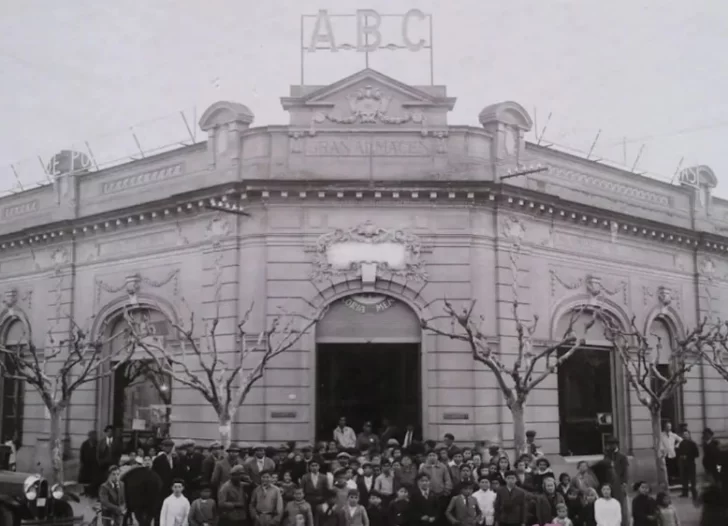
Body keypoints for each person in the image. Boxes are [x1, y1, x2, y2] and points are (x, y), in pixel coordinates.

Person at [676, 429, 699, 499]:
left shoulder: (693, 443)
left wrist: (688, 456)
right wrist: (680, 456)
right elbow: (679, 452)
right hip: (683, 464)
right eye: (684, 435)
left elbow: (697, 454)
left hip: (691, 463)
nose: (685, 436)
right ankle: (685, 493)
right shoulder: (681, 443)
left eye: (686, 434)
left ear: (689, 435)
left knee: (692, 480)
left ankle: (694, 494)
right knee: (684, 479)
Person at [79, 431, 98, 496]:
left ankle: (91, 491)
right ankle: (85, 490)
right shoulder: (85, 444)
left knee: (93, 478)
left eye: (95, 435)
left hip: (94, 464)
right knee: (84, 478)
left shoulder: (97, 444)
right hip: (86, 464)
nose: (94, 437)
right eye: (93, 435)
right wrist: (82, 463)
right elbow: (82, 454)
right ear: (89, 436)